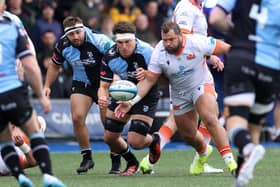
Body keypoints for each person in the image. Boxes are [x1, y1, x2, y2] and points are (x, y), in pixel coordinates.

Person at [115, 21, 237, 177]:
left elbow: (227, 49)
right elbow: (149, 80)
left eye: (171, 39)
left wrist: (242, 61)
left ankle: (231, 163)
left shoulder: (197, 42)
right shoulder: (159, 52)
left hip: (201, 84)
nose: (167, 43)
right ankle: (203, 151)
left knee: (209, 118)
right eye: (165, 40)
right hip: (179, 93)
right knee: (189, 136)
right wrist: (130, 102)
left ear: (181, 36)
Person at [140, 0, 225, 175]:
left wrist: (209, 56)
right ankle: (199, 159)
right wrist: (207, 55)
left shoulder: (195, 6)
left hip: (194, 63)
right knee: (208, 115)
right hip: (189, 67)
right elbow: (184, 38)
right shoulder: (186, 7)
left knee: (183, 118)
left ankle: (150, 161)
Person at [209, 1, 280, 186]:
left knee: (234, 119)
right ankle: (241, 180)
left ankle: (248, 148)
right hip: (271, 67)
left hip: (242, 57)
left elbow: (216, 18)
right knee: (254, 125)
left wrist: (235, 31)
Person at [0, 0, 66, 186]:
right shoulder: (13, 28)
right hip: (12, 89)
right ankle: (48, 175)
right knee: (35, 129)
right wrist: (41, 95)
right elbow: (30, 64)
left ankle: (20, 176)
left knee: (6, 141)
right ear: (4, 8)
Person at [43, 16, 114, 174]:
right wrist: (46, 86)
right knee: (77, 118)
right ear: (66, 35)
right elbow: (54, 66)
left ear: (83, 29)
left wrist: (116, 80)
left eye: (78, 32)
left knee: (108, 124)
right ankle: (87, 157)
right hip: (82, 83)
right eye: (71, 34)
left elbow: (118, 59)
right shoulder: (62, 44)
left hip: (105, 83)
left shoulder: (100, 40)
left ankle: (115, 159)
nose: (75, 37)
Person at [98, 21, 161, 176]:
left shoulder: (147, 51)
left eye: (128, 42)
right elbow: (103, 86)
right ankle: (132, 162)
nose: (124, 46)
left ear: (134, 40)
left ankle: (153, 140)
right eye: (120, 43)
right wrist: (102, 98)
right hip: (124, 93)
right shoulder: (110, 56)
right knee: (109, 137)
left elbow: (165, 76)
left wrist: (148, 74)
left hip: (146, 94)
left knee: (136, 142)